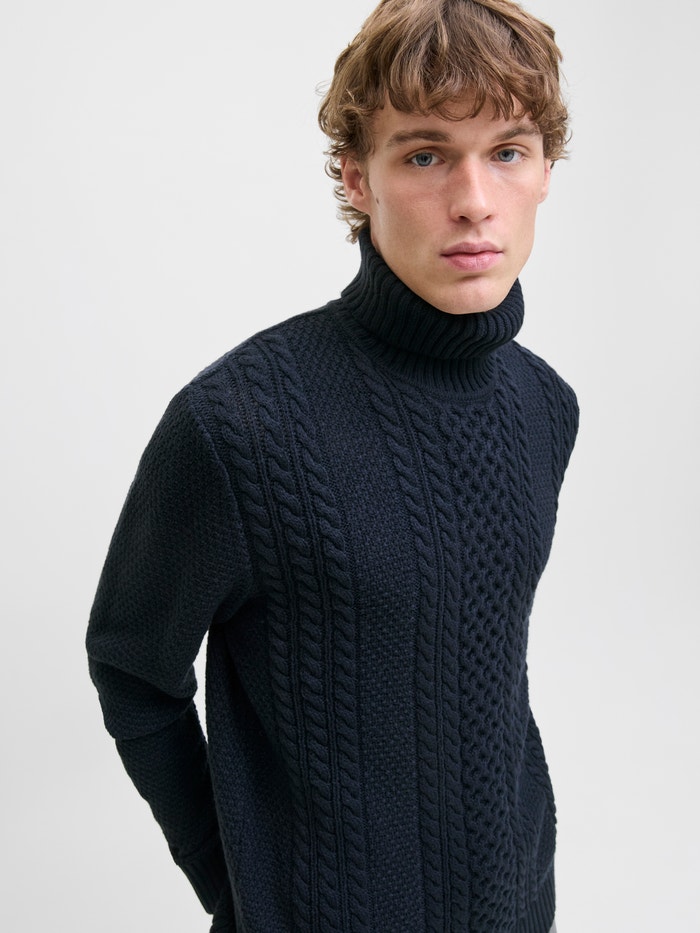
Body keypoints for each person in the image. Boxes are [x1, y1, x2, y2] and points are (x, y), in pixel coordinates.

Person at [86, 0, 577, 930]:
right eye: (425, 155)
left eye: (508, 151)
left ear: (546, 170)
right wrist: (240, 885)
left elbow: (473, 668)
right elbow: (131, 667)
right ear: (357, 176)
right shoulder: (236, 425)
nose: (474, 199)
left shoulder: (544, 404)